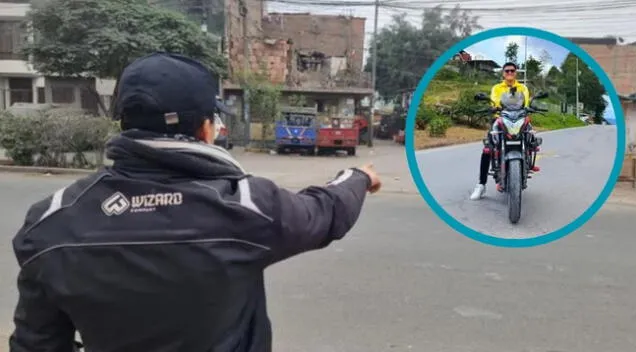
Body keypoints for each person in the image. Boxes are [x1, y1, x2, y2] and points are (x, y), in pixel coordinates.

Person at [9, 52, 381, 352]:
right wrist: (358, 177)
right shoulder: (247, 206)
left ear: (123, 123)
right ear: (206, 129)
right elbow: (327, 211)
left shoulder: (50, 221)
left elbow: (36, 341)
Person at [469, 62, 539, 200]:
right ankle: (481, 185)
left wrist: (529, 107)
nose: (509, 73)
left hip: (519, 118)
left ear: (515, 72)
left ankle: (529, 161)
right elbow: (494, 101)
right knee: (487, 149)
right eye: (507, 71)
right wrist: (494, 107)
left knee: (532, 136)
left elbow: (525, 103)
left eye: (512, 71)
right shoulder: (497, 88)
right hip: (500, 119)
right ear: (503, 73)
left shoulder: (522, 87)